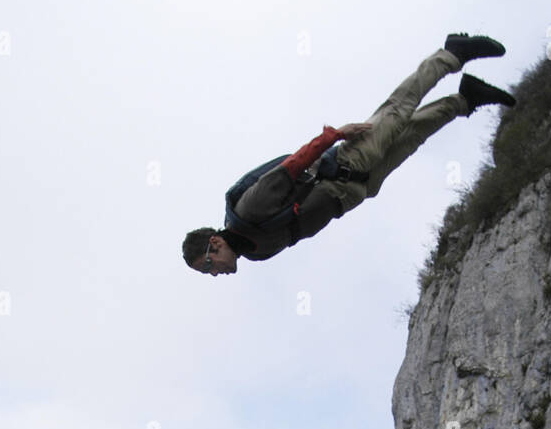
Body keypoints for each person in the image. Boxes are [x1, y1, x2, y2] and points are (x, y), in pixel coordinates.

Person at [182, 33, 516, 276]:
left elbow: (292, 167)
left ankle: (451, 55)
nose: (215, 274)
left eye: (209, 266)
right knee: (414, 134)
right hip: (355, 192)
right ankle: (466, 99)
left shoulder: (248, 210)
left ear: (215, 244)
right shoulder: (257, 253)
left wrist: (338, 135)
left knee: (398, 111)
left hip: (344, 165)